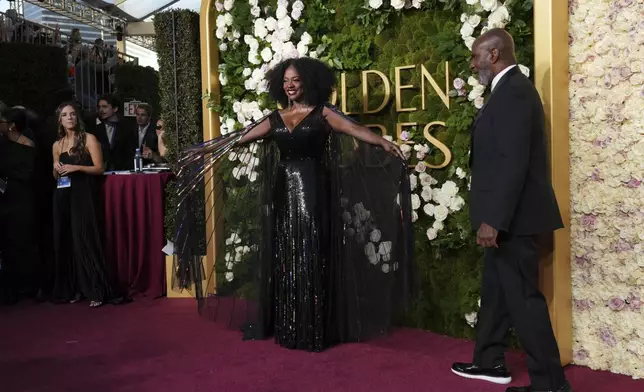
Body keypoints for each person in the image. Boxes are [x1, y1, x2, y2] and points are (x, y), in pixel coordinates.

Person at [175, 57, 415, 352]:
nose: (290, 86)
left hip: (314, 189)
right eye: (286, 81)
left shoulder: (323, 113)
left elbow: (356, 130)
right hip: (283, 191)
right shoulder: (274, 118)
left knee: (312, 250)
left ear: (309, 83)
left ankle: (313, 325)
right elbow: (237, 139)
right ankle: (290, 324)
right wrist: (203, 151)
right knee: (287, 251)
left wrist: (382, 143)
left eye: (296, 80)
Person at [450, 29, 571, 392]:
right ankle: (490, 361)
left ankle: (551, 385)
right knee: (498, 291)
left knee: (525, 301)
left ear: (494, 54)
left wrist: (494, 220)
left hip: (513, 220)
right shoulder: (506, 91)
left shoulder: (515, 92)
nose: (472, 65)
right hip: (508, 218)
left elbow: (513, 162)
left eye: (475, 57)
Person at [51, 102, 128, 308]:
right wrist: (56, 168)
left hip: (83, 194)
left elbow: (99, 168)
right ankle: (73, 289)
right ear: (60, 120)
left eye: (73, 114)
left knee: (85, 238)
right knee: (65, 240)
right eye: (65, 115)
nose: (70, 118)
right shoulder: (57, 145)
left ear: (78, 117)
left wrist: (75, 167)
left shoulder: (89, 139)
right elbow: (55, 174)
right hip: (62, 195)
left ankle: (97, 289)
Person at [0, 108, 38, 304]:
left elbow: (28, 174)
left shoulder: (28, 146)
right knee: (7, 243)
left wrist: (8, 174)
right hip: (5, 200)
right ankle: (10, 287)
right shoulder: (2, 144)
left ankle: (26, 286)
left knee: (22, 241)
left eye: (3, 122)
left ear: (12, 125)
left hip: (22, 199)